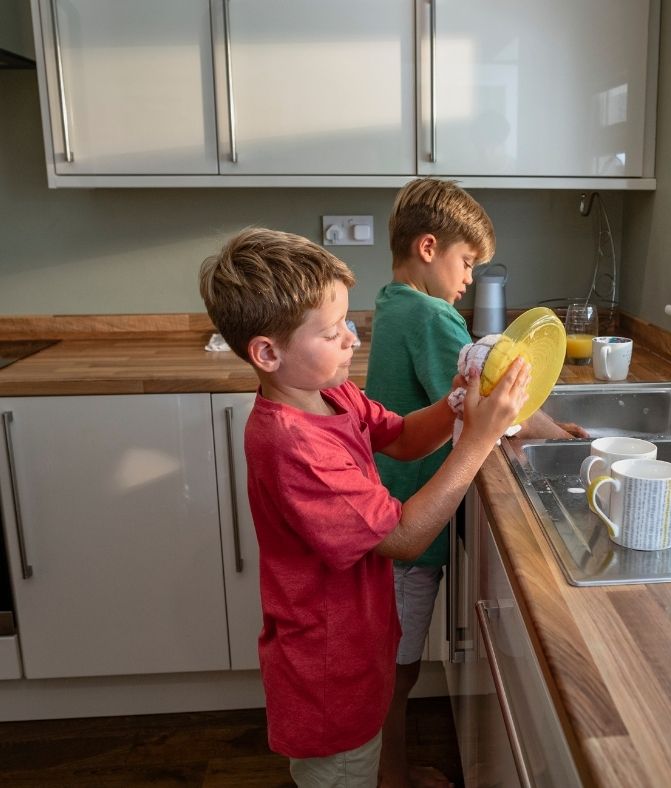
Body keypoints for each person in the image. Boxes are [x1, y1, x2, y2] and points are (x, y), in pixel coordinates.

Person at [198, 227, 530, 788]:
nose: (353, 339)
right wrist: (476, 441)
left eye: (347, 322)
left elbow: (400, 436)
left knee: (366, 762)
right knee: (344, 770)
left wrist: (455, 406)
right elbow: (403, 537)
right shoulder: (291, 445)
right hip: (328, 673)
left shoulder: (331, 391)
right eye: (332, 331)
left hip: (358, 646)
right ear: (268, 353)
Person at [366, 178, 584, 788]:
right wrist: (550, 434)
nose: (468, 280)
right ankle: (392, 780)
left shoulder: (393, 302)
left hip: (396, 502)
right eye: (467, 263)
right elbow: (492, 400)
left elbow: (479, 392)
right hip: (413, 515)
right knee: (397, 671)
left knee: (391, 666)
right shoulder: (431, 316)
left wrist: (544, 425)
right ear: (430, 247)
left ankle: (390, 772)